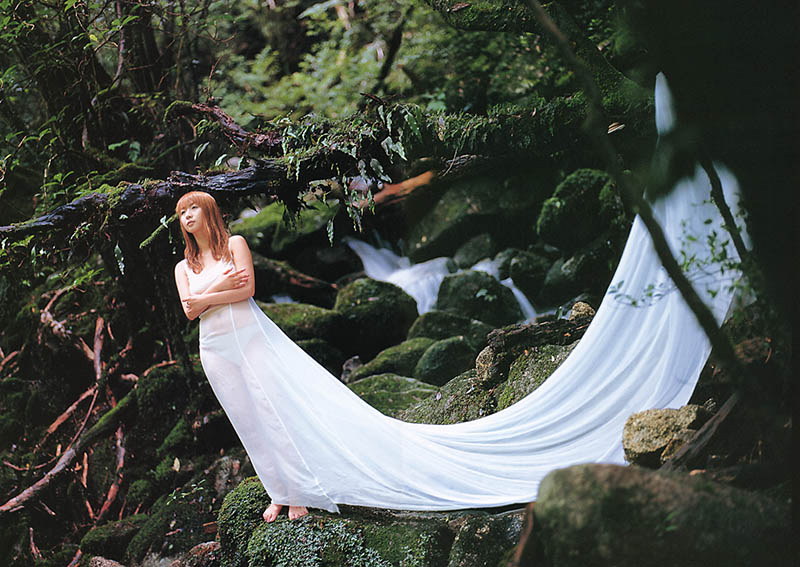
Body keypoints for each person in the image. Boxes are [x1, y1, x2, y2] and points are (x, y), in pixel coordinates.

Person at [173, 191, 309, 521]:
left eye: (193, 208)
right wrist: (220, 283)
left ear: (208, 212)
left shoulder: (235, 245)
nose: (188, 216)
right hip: (214, 349)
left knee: (271, 410)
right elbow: (190, 312)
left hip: (248, 338)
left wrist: (203, 297)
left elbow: (246, 292)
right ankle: (278, 493)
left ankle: (299, 494)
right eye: (181, 212)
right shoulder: (183, 267)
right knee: (246, 422)